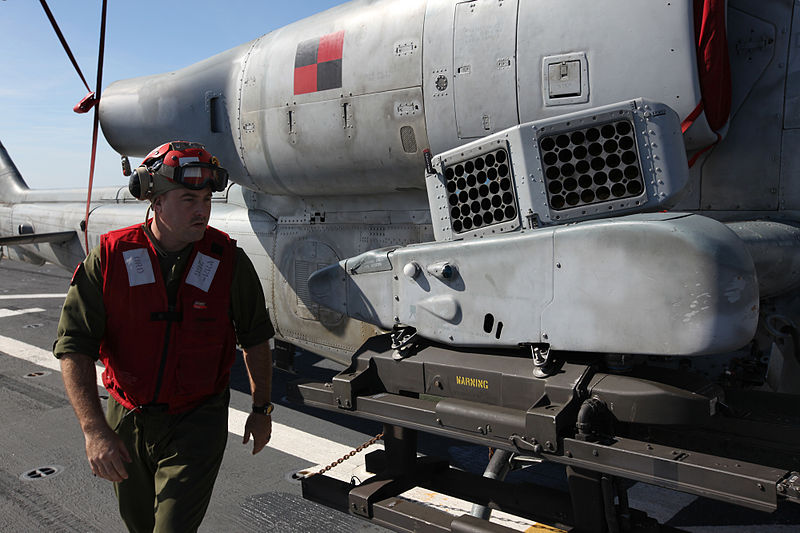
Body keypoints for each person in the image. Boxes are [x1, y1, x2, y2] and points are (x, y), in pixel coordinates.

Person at [53, 141, 275, 532]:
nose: (202, 209)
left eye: (207, 198)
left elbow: (255, 339)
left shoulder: (227, 262)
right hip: (127, 417)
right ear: (154, 200)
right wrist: (94, 430)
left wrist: (261, 410)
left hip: (197, 420)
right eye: (188, 198)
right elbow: (74, 347)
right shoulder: (109, 258)